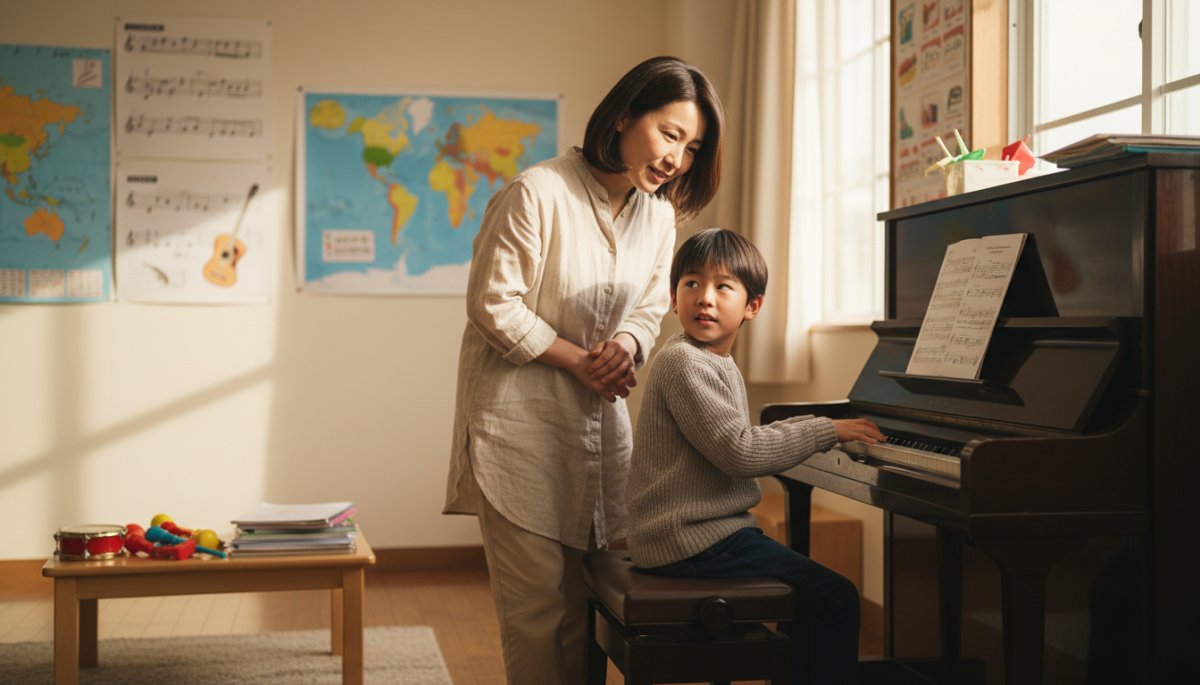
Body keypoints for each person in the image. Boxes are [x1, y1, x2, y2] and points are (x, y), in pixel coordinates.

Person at [443, 56, 726, 685]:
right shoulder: (536, 192)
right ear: (623, 116)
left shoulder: (658, 216)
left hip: (600, 434)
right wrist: (580, 362)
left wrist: (627, 341)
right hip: (518, 429)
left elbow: (651, 305)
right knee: (538, 614)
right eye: (670, 134)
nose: (677, 159)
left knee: (588, 606)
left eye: (692, 147)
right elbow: (492, 303)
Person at [626, 228, 885, 685]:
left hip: (701, 536)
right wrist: (827, 429)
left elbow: (740, 437)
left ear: (752, 306)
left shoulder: (711, 360)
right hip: (687, 541)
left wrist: (821, 427)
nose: (705, 298)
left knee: (814, 593)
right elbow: (742, 452)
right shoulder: (685, 362)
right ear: (673, 298)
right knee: (835, 596)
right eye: (692, 283)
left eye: (723, 286)